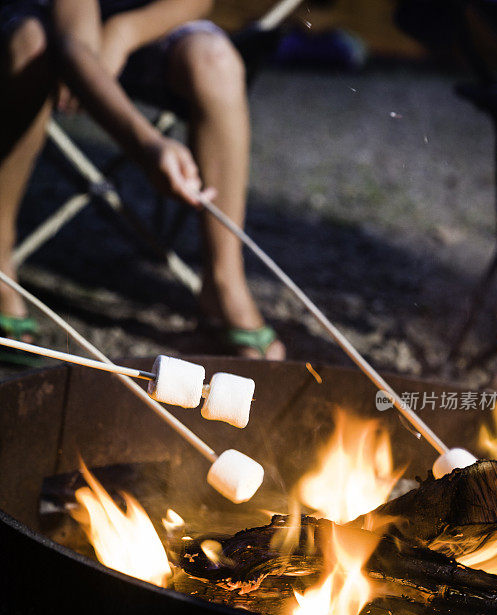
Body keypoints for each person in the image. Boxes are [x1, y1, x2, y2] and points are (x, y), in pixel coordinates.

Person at [0, 0, 285, 360]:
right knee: (30, 45)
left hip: (147, 21)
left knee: (216, 60)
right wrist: (148, 147)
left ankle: (224, 280)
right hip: (52, 22)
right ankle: (0, 260)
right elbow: (74, 44)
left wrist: (124, 31)